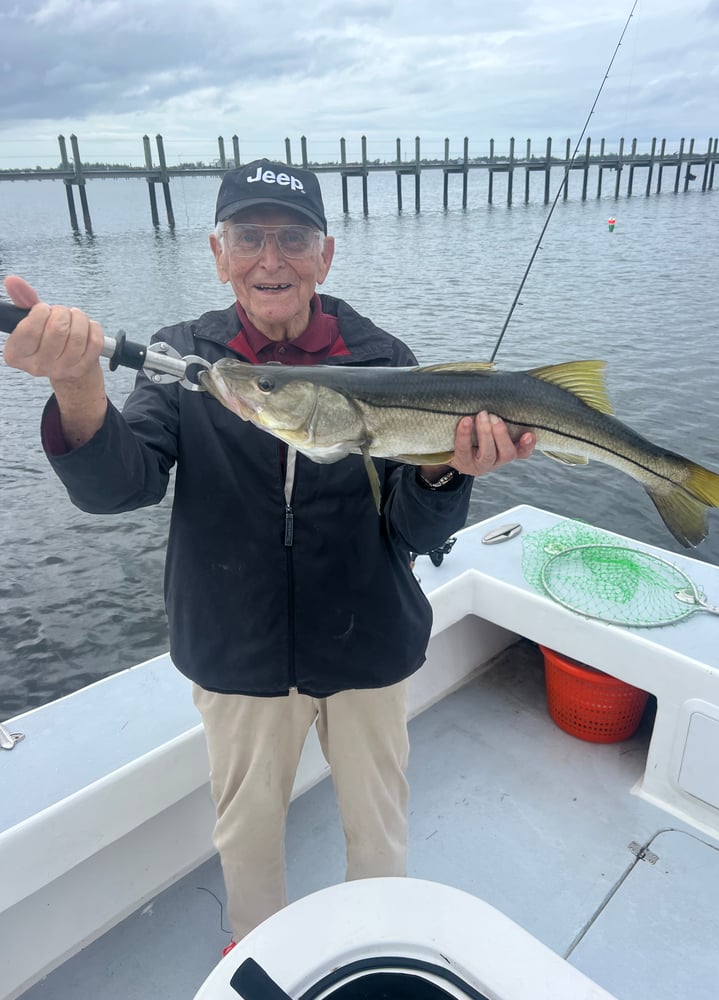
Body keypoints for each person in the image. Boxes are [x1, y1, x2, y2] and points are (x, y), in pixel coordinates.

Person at [3, 159, 535, 947]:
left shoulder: (385, 356)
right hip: (236, 654)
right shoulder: (185, 355)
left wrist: (444, 468)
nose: (270, 258)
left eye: (293, 237)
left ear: (326, 255)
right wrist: (79, 387)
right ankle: (258, 956)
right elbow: (123, 486)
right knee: (247, 840)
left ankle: (376, 948)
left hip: (370, 643)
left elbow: (419, 534)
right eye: (248, 236)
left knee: (380, 833)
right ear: (218, 254)